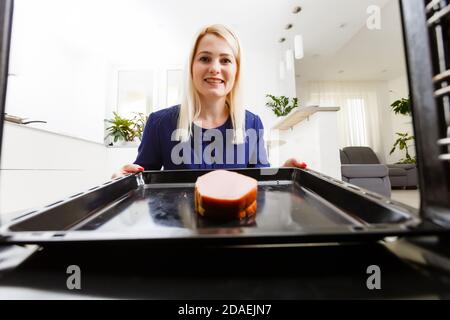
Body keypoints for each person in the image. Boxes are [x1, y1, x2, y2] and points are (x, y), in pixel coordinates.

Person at [113, 24, 306, 178]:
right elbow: (142, 185)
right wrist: (122, 181)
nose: (215, 68)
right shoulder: (159, 123)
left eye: (225, 60)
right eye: (205, 59)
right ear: (191, 67)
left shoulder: (252, 123)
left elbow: (261, 185)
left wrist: (285, 176)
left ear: (236, 70)